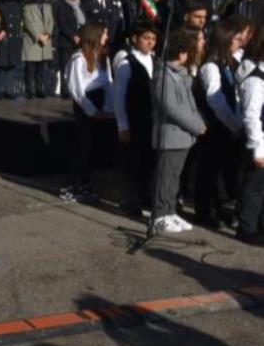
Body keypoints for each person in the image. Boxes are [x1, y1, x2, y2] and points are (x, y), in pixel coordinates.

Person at [150, 28, 207, 234]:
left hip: (183, 137)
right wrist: (196, 125)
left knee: (174, 177)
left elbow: (190, 104)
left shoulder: (181, 74)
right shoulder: (164, 76)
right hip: (170, 135)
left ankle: (169, 210)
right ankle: (159, 214)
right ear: (181, 52)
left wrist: (198, 121)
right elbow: (172, 107)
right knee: (165, 176)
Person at [192, 18, 247, 228]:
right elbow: (217, 102)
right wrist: (235, 125)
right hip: (215, 127)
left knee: (221, 172)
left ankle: (218, 208)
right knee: (208, 171)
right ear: (225, 39)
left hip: (228, 126)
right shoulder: (211, 67)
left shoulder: (230, 63)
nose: (239, 41)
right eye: (235, 38)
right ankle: (204, 211)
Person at [61, 21, 114, 202]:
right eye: (104, 34)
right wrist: (92, 111)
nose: (107, 37)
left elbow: (108, 84)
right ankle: (74, 184)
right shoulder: (79, 58)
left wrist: (107, 107)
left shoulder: (101, 57)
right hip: (86, 106)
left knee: (93, 148)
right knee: (84, 146)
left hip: (99, 104)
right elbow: (76, 88)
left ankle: (86, 183)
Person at [114, 22, 158, 216]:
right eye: (146, 38)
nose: (150, 43)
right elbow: (119, 97)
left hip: (152, 120)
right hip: (135, 119)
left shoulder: (156, 60)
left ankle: (147, 197)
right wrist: (122, 125)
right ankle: (131, 201)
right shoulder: (127, 63)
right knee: (133, 163)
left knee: (149, 162)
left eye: (153, 39)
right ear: (135, 39)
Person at [234, 27, 264, 243]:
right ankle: (247, 228)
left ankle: (259, 225)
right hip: (260, 143)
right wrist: (257, 147)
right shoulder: (256, 81)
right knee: (253, 187)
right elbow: (252, 116)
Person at [22, 0, 55, 98]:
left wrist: (48, 34)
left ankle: (40, 89)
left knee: (42, 69)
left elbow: (51, 22)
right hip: (33, 42)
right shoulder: (27, 7)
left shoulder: (48, 6)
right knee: (30, 70)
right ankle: (29, 90)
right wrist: (39, 36)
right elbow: (28, 23)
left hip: (45, 41)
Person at [54, 0, 84, 98]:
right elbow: (62, 24)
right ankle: (65, 90)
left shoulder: (80, 5)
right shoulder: (62, 6)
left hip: (79, 41)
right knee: (65, 67)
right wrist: (73, 36)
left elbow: (83, 22)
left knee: (76, 66)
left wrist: (80, 35)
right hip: (66, 42)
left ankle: (75, 88)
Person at [0, 0, 23, 99]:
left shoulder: (19, 1)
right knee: (2, 65)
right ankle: (0, 90)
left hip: (15, 37)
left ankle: (9, 90)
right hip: (4, 36)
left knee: (12, 64)